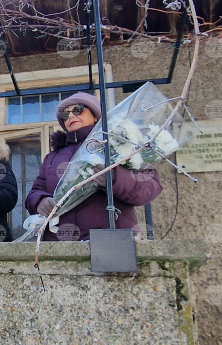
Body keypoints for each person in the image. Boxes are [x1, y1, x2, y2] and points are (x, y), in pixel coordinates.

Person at [25, 92, 163, 241]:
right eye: (64, 114)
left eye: (78, 109)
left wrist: (115, 178)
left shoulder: (117, 144)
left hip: (109, 238)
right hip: (60, 242)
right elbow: (36, 190)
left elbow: (149, 187)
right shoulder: (53, 157)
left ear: (95, 115)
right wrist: (40, 200)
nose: (70, 116)